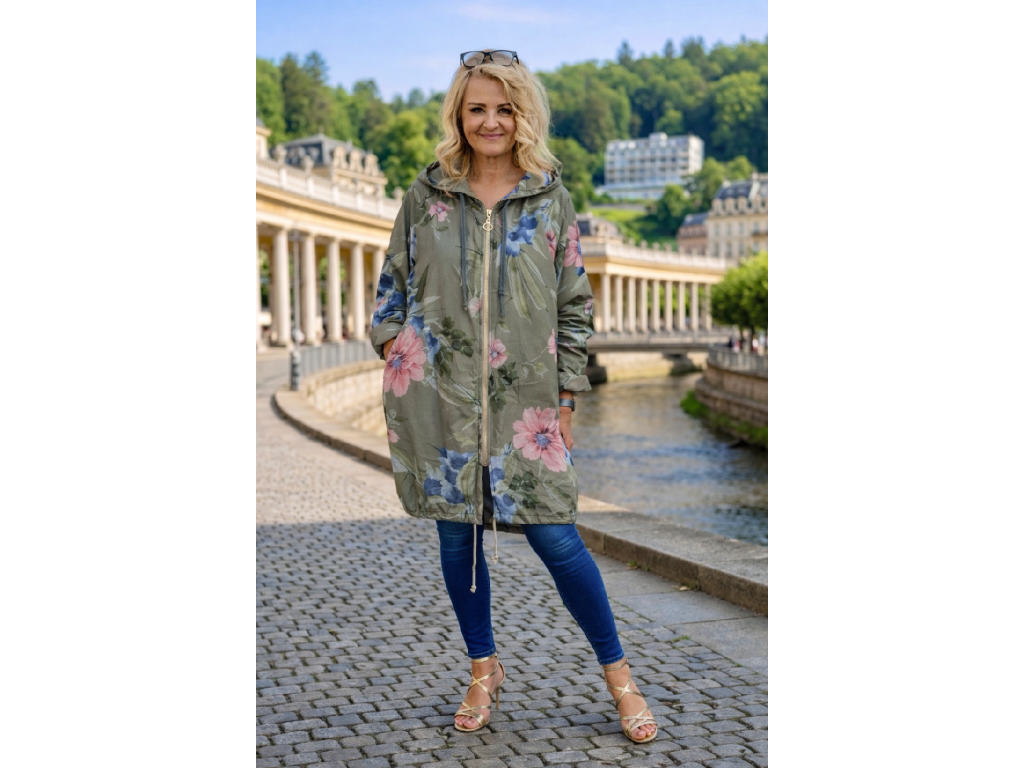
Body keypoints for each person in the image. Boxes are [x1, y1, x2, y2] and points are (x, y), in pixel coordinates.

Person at [369, 50, 658, 744]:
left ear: (523, 115)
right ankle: (483, 667)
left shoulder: (550, 197)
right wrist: (394, 347)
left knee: (558, 538)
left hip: (528, 407)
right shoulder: (426, 195)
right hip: (440, 399)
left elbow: (574, 305)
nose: (490, 121)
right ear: (458, 115)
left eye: (504, 109)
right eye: (477, 109)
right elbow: (391, 285)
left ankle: (620, 676)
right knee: (457, 539)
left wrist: (568, 395)